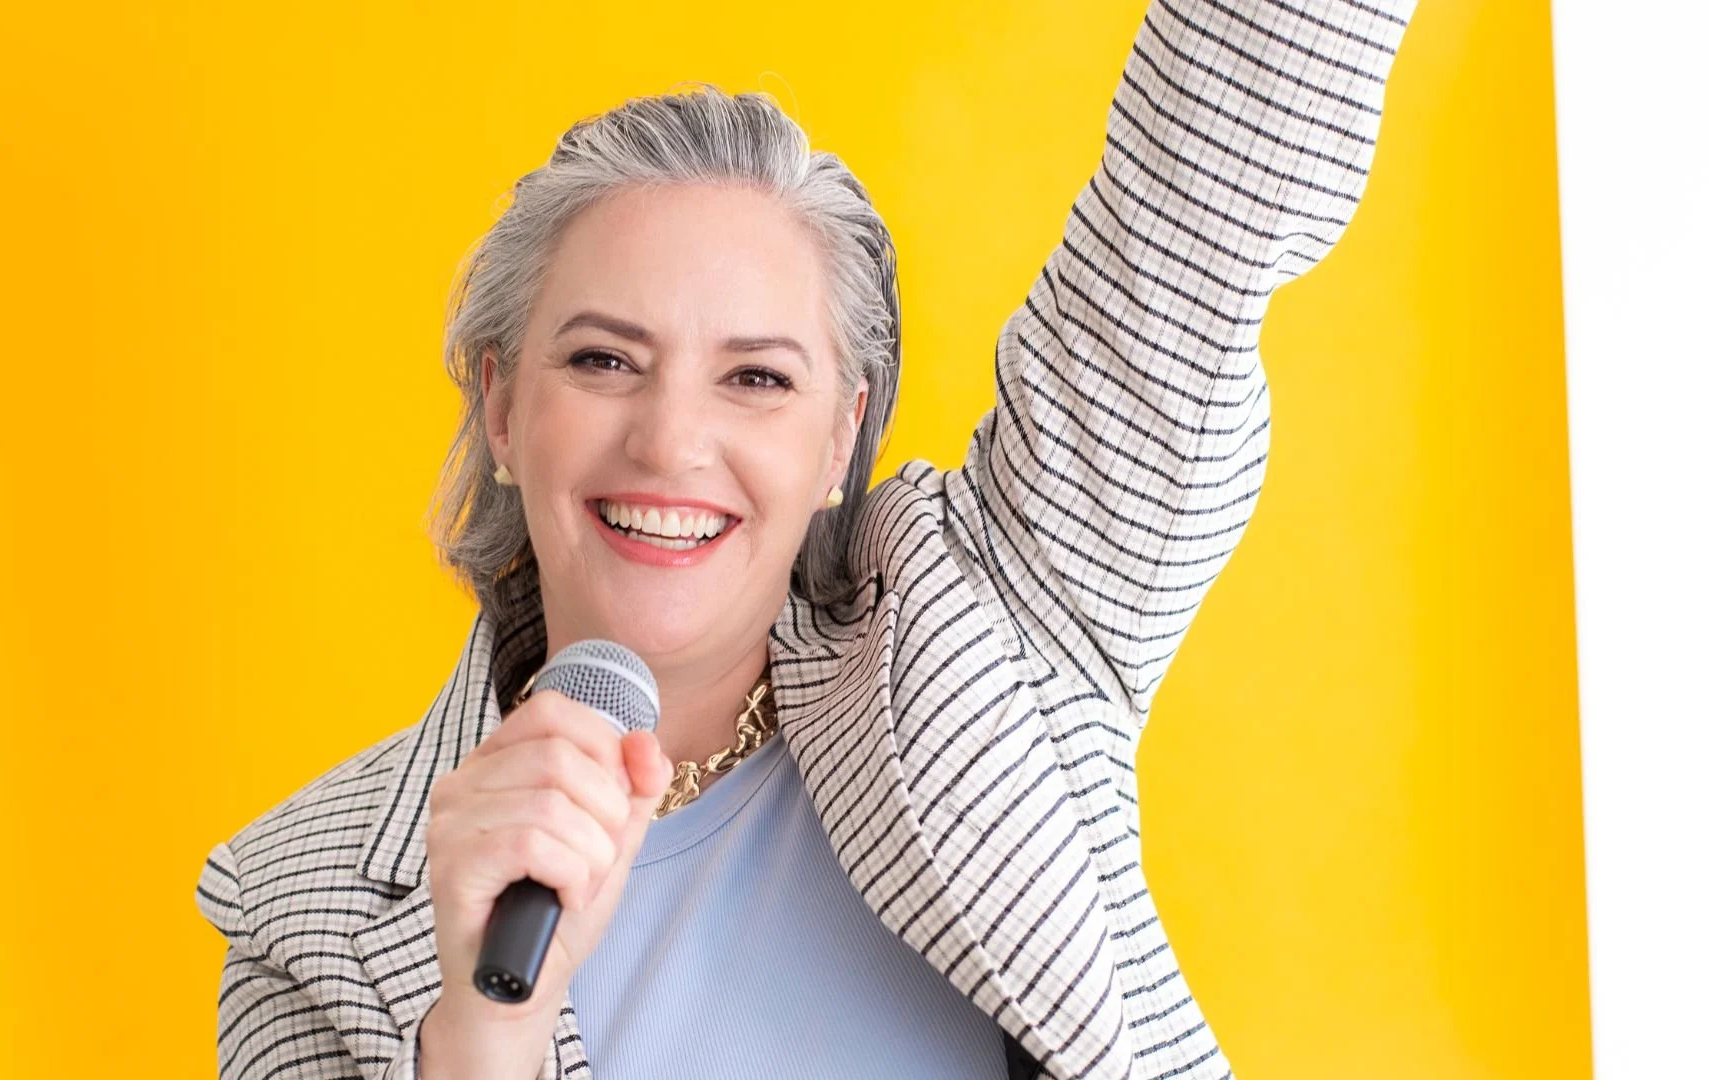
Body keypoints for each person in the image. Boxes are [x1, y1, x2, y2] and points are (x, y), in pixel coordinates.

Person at [194, 0, 1418, 1076]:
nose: (671, 444)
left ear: (840, 441)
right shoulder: (302, 915)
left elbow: (1208, 191)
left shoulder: (992, 620)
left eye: (758, 380)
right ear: (502, 406)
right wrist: (479, 1040)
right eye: (606, 359)